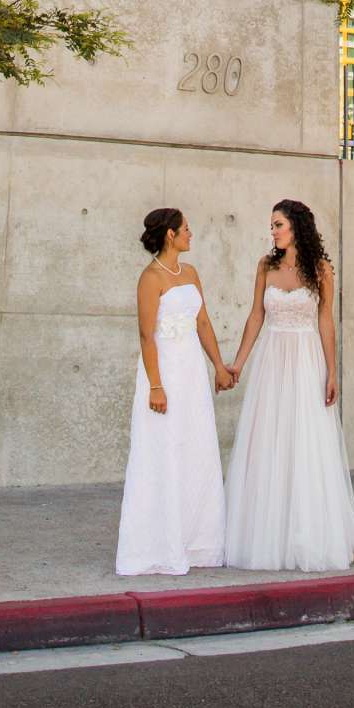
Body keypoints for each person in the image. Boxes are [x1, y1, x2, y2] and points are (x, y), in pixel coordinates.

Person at [222, 198, 354, 573]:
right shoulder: (265, 266)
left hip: (305, 359)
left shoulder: (321, 269)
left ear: (296, 226)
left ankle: (317, 532)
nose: (273, 231)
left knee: (306, 443)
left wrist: (332, 371)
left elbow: (325, 322)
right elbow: (256, 316)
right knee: (271, 441)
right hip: (272, 362)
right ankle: (270, 533)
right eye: (271, 225)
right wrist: (238, 362)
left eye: (278, 224)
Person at [115, 207, 235, 577]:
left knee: (195, 448)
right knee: (162, 451)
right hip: (164, 372)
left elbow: (203, 322)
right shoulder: (150, 278)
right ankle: (156, 546)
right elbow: (146, 334)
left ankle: (197, 541)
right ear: (170, 234)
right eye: (186, 229)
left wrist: (218, 364)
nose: (191, 234)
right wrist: (155, 384)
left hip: (192, 375)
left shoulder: (191, 273)